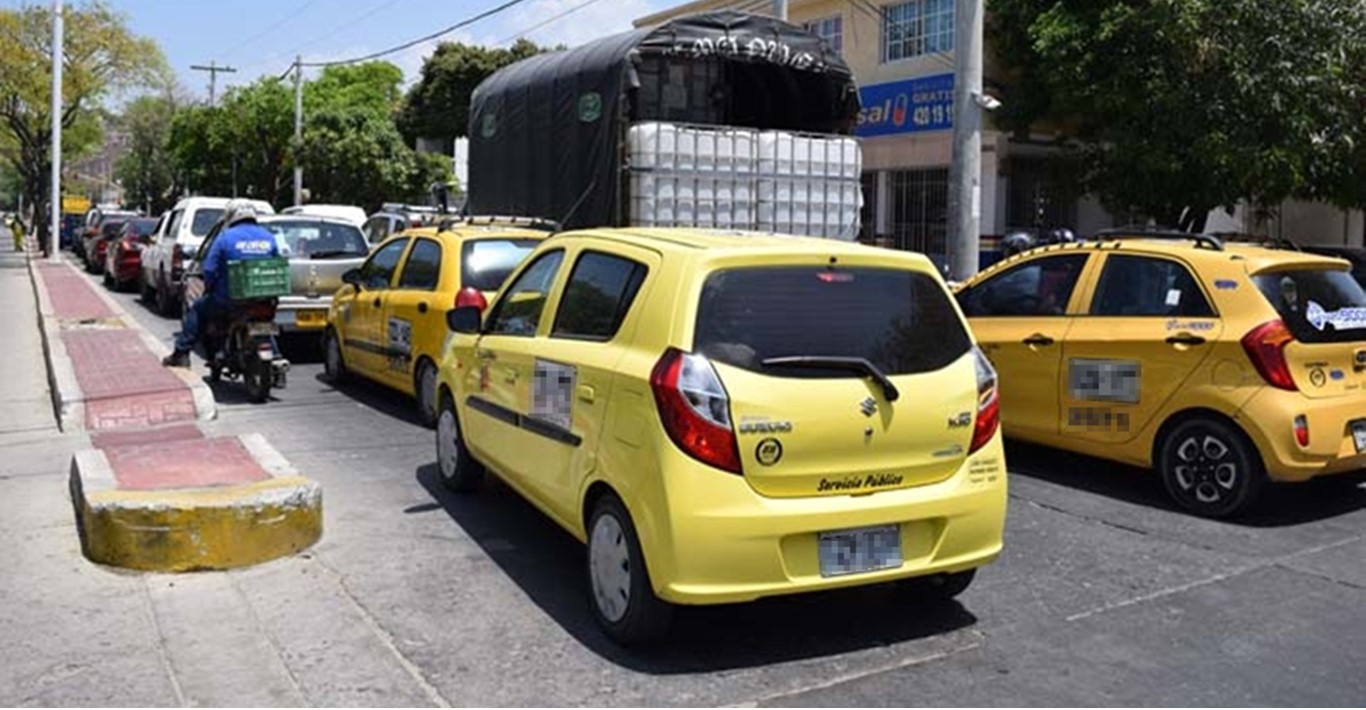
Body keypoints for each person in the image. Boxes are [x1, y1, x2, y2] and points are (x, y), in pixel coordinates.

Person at [162, 201, 280, 367]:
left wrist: (209, 287)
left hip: (228, 299)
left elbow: (209, 269)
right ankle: (276, 356)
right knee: (264, 324)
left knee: (197, 309)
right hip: (263, 298)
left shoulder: (224, 237)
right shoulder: (268, 237)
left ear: (232, 216)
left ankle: (181, 353)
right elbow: (277, 264)